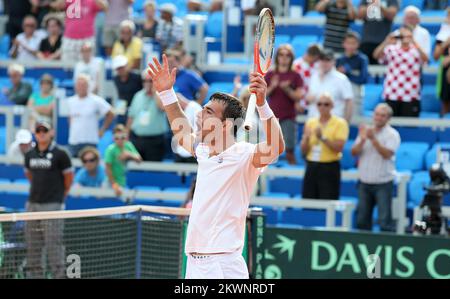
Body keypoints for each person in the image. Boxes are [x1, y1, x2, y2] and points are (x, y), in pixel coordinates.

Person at [147, 53, 284, 279]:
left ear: (225, 125)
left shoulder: (243, 154)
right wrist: (166, 92)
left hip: (221, 261)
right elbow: (181, 133)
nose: (200, 114)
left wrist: (262, 104)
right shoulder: (204, 151)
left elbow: (276, 146)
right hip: (198, 260)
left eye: (208, 111)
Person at [24, 121, 73, 279]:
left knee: (53, 244)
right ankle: (35, 276)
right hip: (32, 205)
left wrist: (60, 196)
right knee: (33, 244)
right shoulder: (29, 154)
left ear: (51, 132)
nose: (41, 133)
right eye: (38, 130)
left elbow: (69, 179)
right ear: (35, 133)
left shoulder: (61, 154)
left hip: (52, 205)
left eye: (44, 130)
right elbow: (30, 175)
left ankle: (59, 276)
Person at [351, 103, 400, 232]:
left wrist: (373, 139)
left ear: (388, 118)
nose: (378, 118)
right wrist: (362, 140)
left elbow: (387, 154)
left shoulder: (392, 135)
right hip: (364, 182)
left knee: (384, 221)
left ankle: (387, 248)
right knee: (362, 221)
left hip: (383, 182)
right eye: (377, 114)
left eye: (382, 115)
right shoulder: (365, 131)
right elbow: (354, 153)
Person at [300, 93, 349, 200]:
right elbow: (303, 151)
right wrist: (306, 139)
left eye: (326, 104)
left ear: (332, 106)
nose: (322, 107)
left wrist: (322, 138)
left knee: (328, 199)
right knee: (308, 199)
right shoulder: (311, 122)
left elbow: (339, 148)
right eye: (319, 104)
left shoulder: (340, 123)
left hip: (329, 166)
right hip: (312, 165)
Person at [373, 25, 428, 117]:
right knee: (390, 123)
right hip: (392, 92)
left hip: (411, 93)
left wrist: (413, 41)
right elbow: (376, 55)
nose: (404, 37)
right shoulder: (391, 48)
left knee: (409, 126)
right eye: (402, 35)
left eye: (407, 34)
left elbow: (426, 59)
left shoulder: (416, 50)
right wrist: (386, 41)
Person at [265, 44, 303, 165]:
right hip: (272, 117)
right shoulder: (270, 74)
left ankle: (292, 177)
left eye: (288, 55)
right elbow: (262, 95)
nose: (284, 57)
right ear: (277, 57)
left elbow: (299, 96)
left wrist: (287, 89)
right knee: (269, 150)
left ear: (291, 58)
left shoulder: (295, 75)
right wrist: (273, 86)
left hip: (288, 118)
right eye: (281, 54)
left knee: (290, 151)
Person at [67, 74, 115, 157]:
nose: (81, 87)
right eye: (79, 85)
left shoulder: (95, 100)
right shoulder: (70, 101)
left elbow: (111, 113)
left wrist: (102, 130)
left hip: (90, 141)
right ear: (75, 86)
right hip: (74, 141)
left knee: (91, 166)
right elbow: (70, 118)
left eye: (83, 85)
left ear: (88, 86)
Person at [126, 71, 169, 161]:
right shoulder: (138, 95)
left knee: (153, 170)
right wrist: (127, 135)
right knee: (137, 170)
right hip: (137, 139)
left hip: (155, 141)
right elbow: (131, 117)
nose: (147, 83)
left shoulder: (161, 95)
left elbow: (162, 107)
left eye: (150, 81)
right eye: (145, 81)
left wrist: (155, 92)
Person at [306, 48, 354, 122]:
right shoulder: (314, 76)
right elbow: (309, 98)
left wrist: (346, 123)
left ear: (333, 61)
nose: (324, 63)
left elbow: (349, 102)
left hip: (334, 124)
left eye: (327, 60)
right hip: (314, 122)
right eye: (322, 60)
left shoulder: (341, 79)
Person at [336, 31, 369, 118]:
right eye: (348, 43)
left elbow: (363, 79)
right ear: (343, 44)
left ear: (358, 44)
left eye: (353, 43)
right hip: (340, 97)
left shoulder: (362, 59)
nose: (350, 46)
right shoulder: (339, 59)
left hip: (356, 96)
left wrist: (347, 73)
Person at [105, 124, 142, 197]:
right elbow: (108, 168)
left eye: (122, 137)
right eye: (117, 138)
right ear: (113, 138)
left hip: (123, 182)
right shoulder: (110, 149)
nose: (120, 140)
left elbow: (139, 159)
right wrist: (114, 185)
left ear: (126, 137)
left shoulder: (128, 145)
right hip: (111, 182)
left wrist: (129, 154)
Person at [358, 0, 399, 65]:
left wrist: (378, 4)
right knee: (365, 68)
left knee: (382, 68)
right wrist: (372, 4)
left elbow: (391, 15)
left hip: (383, 42)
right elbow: (360, 15)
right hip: (366, 41)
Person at [112, 55, 143, 123]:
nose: (120, 70)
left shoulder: (137, 77)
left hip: (136, 106)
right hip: (122, 106)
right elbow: (120, 95)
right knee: (119, 124)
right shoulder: (116, 79)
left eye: (122, 67)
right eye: (118, 68)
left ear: (127, 65)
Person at [293, 44, 322, 114]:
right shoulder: (296, 65)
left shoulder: (318, 65)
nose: (317, 60)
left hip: (315, 105)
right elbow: (293, 86)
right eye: (316, 58)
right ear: (315, 56)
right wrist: (296, 102)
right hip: (299, 105)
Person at [434, 8, 450, 116]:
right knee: (445, 101)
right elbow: (436, 56)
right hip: (445, 70)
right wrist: (447, 41)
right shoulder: (444, 32)